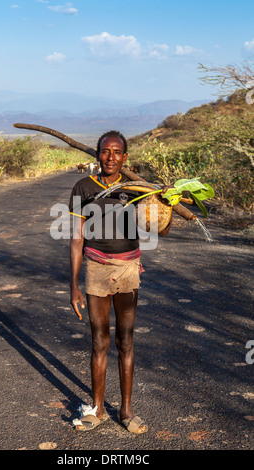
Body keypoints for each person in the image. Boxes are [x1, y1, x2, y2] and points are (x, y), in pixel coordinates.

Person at [69, 130, 170, 434]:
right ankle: (98, 409)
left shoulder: (138, 188)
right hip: (96, 269)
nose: (110, 157)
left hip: (127, 270)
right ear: (97, 155)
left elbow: (160, 231)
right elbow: (76, 237)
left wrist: (165, 200)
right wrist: (73, 284)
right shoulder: (83, 187)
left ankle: (125, 411)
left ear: (125, 157)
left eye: (116, 152)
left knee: (125, 341)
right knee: (99, 341)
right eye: (104, 151)